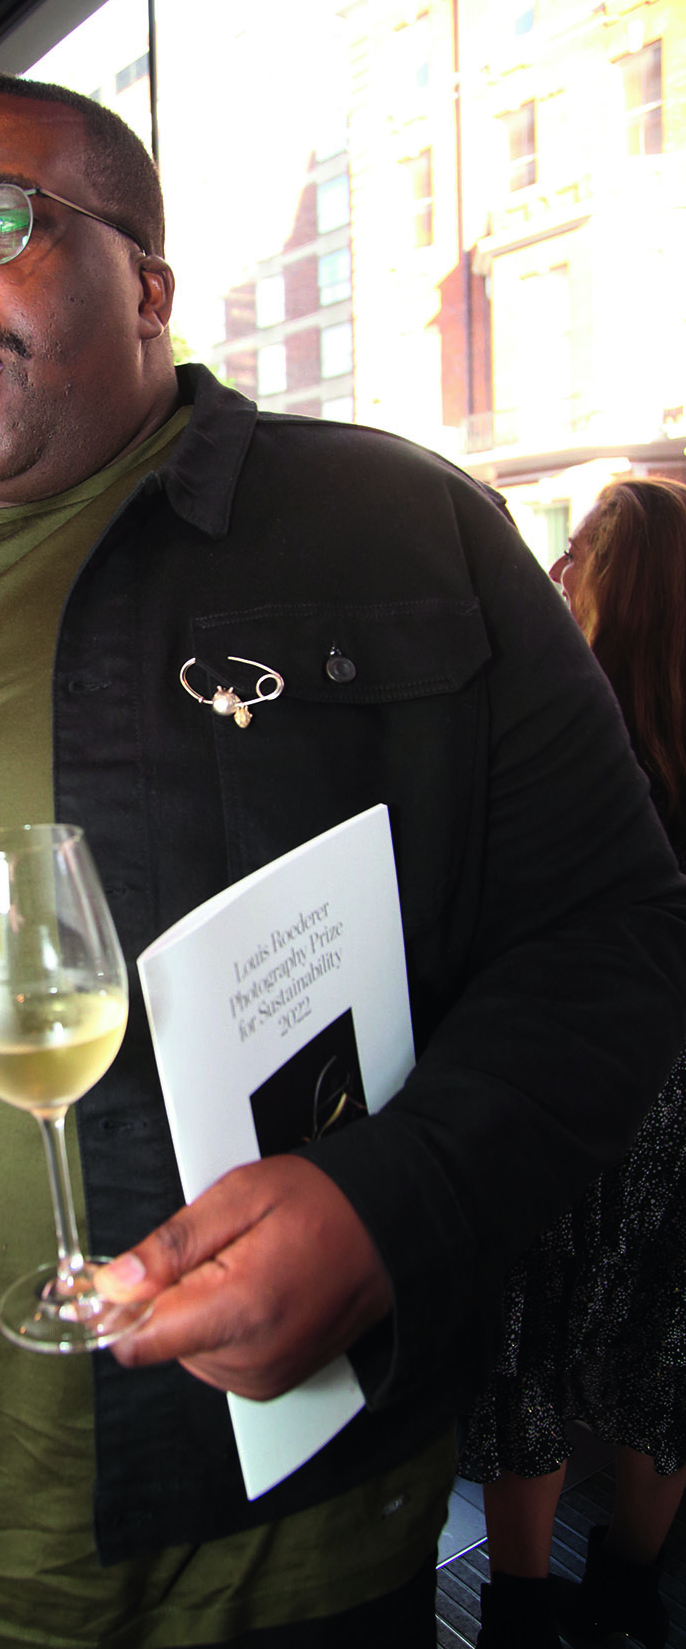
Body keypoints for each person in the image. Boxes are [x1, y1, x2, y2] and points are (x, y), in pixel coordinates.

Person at [0, 76, 686, 1649]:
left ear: (146, 283)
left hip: (250, 1563)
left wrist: (391, 1204)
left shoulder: (398, 528)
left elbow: (618, 937)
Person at [461, 476, 686, 1649]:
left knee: (529, 1343)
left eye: (581, 550)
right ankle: (634, 1591)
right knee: (668, 1344)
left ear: (615, 580)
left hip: (585, 1081)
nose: (557, 570)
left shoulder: (569, 729)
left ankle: (518, 1605)